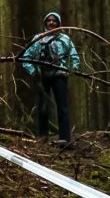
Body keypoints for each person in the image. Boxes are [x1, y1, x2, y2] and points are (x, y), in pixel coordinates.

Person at [20, 12, 80, 143]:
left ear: (58, 23)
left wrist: (70, 70)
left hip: (60, 76)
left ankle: (65, 137)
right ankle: (43, 135)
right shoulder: (38, 38)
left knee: (62, 107)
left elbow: (74, 56)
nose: (51, 23)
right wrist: (33, 71)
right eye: (49, 21)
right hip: (42, 77)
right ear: (45, 23)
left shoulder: (64, 39)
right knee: (43, 106)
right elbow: (25, 58)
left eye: (54, 21)